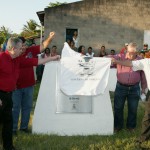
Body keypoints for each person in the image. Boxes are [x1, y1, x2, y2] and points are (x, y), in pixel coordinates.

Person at [12, 32, 59, 135]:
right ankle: (13, 129)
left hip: (29, 85)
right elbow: (37, 62)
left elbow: (43, 46)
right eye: (22, 45)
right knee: (15, 108)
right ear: (17, 47)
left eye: (25, 45)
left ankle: (24, 127)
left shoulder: (30, 51)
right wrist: (51, 58)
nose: (24, 47)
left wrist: (50, 37)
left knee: (27, 107)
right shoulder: (14, 56)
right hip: (16, 87)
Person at [111, 45, 150, 143]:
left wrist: (143, 88)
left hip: (134, 88)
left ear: (136, 52)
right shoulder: (120, 56)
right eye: (129, 52)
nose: (131, 54)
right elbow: (109, 58)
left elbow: (143, 76)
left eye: (133, 52)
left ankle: (131, 127)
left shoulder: (141, 60)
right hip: (121, 87)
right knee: (118, 107)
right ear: (126, 51)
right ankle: (117, 126)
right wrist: (111, 59)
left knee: (133, 108)